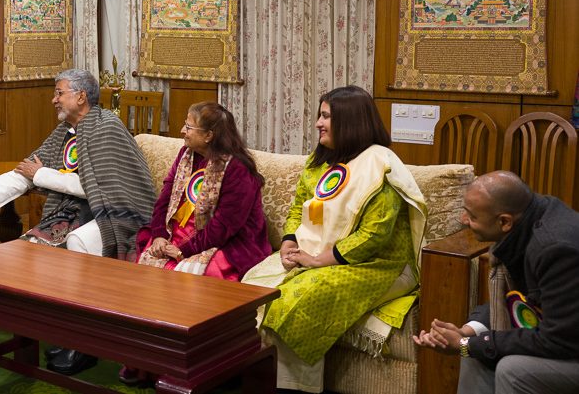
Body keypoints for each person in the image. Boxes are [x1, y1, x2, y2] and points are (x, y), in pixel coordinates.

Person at [0, 68, 156, 375]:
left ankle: (83, 342)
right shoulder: (64, 132)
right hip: (76, 211)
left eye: (59, 93)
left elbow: (97, 188)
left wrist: (43, 176)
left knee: (75, 242)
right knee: (32, 246)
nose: (53, 100)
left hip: (119, 214)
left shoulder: (107, 127)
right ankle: (55, 330)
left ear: (81, 96)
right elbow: (24, 172)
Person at [241, 86, 427, 393]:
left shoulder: (381, 165)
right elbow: (299, 207)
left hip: (379, 264)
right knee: (251, 288)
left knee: (299, 298)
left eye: (326, 116)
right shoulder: (321, 160)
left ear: (350, 121)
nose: (317, 123)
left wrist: (316, 261)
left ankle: (296, 387)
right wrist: (289, 244)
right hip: (317, 254)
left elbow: (373, 236)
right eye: (320, 115)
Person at [118, 102, 270, 386]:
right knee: (147, 267)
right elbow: (164, 197)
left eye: (188, 127)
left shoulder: (236, 169)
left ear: (210, 135)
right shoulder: (186, 155)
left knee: (197, 278)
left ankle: (197, 367)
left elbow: (225, 225)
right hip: (178, 236)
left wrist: (183, 250)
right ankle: (145, 364)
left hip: (225, 242)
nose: (182, 131)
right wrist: (159, 234)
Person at [413, 171, 579, 394]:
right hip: (564, 334)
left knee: (512, 370)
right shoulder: (528, 220)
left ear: (504, 222)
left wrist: (466, 345)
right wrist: (467, 333)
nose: (463, 221)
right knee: (476, 352)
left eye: (471, 216)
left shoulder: (556, 250)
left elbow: (558, 339)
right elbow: (518, 301)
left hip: (567, 343)